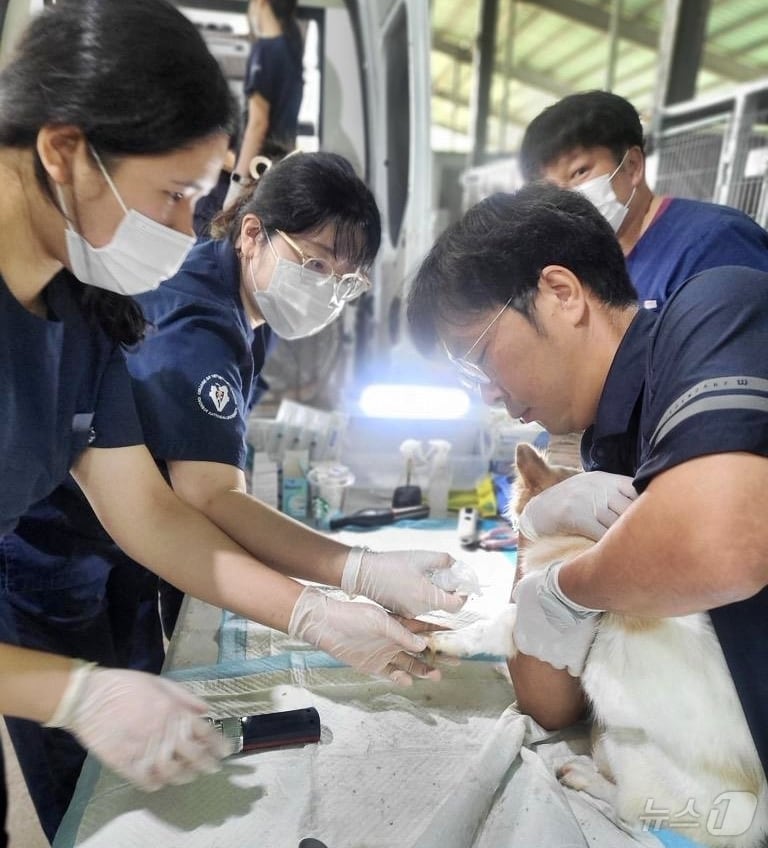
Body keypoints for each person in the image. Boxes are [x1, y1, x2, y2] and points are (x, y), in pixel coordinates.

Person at [0, 2, 460, 842]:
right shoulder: (182, 317)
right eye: (175, 194)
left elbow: (147, 512)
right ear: (65, 151)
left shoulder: (86, 311)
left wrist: (323, 607)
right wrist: (69, 693)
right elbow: (208, 496)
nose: (186, 231)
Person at [407, 182, 768, 783]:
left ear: (561, 292)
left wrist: (567, 589)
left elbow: (721, 546)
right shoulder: (609, 445)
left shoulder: (716, 311)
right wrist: (536, 526)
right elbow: (548, 700)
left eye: (479, 357)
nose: (488, 393)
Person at [519, 90, 768, 308]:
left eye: (579, 172)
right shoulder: (584, 267)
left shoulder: (714, 243)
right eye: (550, 188)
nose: (565, 197)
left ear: (632, 165)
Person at [224, 0, 304, 209]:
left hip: (258, 170)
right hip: (278, 168)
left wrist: (237, 184)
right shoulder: (290, 48)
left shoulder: (266, 50)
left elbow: (258, 124)